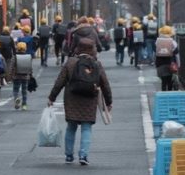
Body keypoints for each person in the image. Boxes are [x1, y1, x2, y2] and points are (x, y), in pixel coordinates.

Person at [48, 38, 112, 166]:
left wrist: (52, 97)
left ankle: (69, 155)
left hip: (72, 98)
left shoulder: (70, 62)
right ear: (92, 50)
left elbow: (59, 82)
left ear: (78, 48)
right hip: (89, 100)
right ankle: (83, 155)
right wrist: (108, 102)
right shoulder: (96, 64)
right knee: (86, 127)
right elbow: (105, 84)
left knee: (71, 127)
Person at [154, 25, 180, 92]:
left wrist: (155, 63)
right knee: (170, 81)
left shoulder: (157, 42)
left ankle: (163, 94)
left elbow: (155, 53)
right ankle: (169, 94)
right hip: (171, 64)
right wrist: (178, 64)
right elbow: (177, 55)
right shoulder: (173, 42)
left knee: (163, 81)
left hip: (160, 64)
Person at [12, 41, 34, 110]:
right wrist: (31, 75)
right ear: (25, 48)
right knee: (24, 91)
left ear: (17, 48)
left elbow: (12, 67)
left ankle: (16, 99)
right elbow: (30, 67)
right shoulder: (28, 56)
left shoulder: (15, 56)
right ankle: (24, 105)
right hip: (25, 76)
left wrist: (10, 75)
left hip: (16, 76)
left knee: (16, 90)